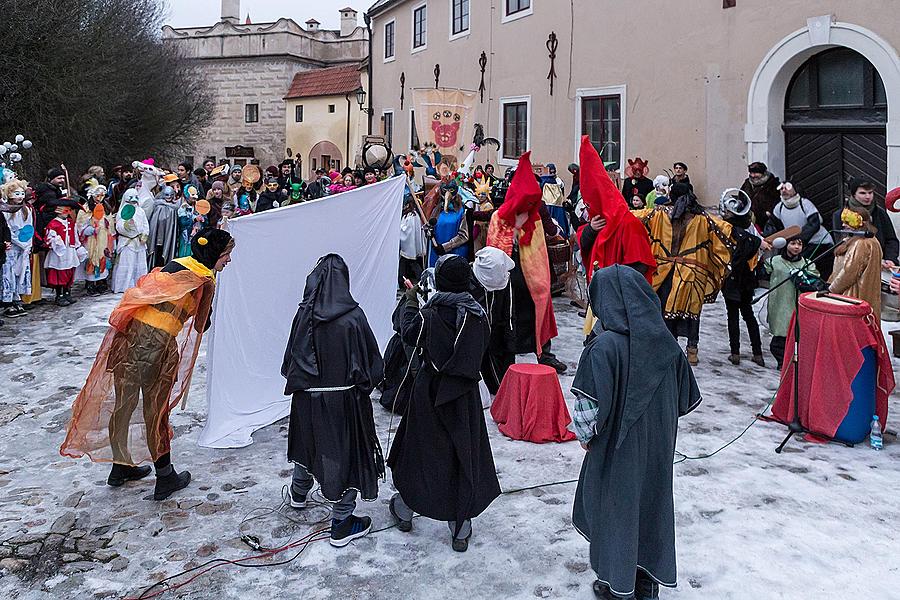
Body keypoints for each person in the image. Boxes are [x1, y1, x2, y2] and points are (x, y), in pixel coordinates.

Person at [60, 228, 234, 501]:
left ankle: (120, 467)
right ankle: (165, 477)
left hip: (128, 338)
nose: (228, 261)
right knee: (156, 411)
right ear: (214, 254)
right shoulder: (204, 281)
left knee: (124, 404)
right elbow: (201, 325)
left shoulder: (176, 264)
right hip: (158, 347)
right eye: (226, 255)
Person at [571, 265, 701, 600]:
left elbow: (588, 410)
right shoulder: (668, 346)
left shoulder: (603, 348)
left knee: (617, 509)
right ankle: (646, 582)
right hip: (658, 449)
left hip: (615, 448)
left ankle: (619, 585)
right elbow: (686, 399)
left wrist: (587, 438)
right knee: (650, 508)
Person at [388, 255, 501, 552]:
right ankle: (460, 525)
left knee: (421, 452)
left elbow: (406, 329)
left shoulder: (430, 314)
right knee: (460, 454)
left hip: (431, 391)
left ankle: (405, 507)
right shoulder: (478, 315)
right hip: (463, 396)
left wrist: (411, 298)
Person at [282, 254, 384, 547]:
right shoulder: (353, 318)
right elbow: (372, 366)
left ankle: (299, 493)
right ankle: (342, 522)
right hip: (343, 402)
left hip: (306, 400)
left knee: (306, 441)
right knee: (349, 455)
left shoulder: (304, 313)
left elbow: (289, 362)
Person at [636, 183, 734, 365]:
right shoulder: (703, 217)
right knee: (691, 313)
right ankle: (692, 352)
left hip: (664, 272)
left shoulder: (658, 213)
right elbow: (727, 231)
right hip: (692, 273)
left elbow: (634, 217)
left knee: (666, 311)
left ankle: (668, 348)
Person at [486, 153, 564, 372]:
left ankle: (544, 353)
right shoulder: (499, 218)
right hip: (508, 278)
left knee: (540, 309)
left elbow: (544, 244)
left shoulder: (537, 218)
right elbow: (495, 251)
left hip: (534, 280)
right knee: (507, 316)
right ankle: (505, 356)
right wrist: (513, 229)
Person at [764, 237, 820, 370]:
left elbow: (814, 283)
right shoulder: (774, 262)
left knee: (797, 334)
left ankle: (794, 362)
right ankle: (782, 362)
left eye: (799, 244)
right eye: (793, 243)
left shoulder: (807, 264)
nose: (796, 247)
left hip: (797, 305)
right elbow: (763, 272)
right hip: (779, 303)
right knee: (780, 335)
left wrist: (802, 278)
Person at [721, 205, 765, 366]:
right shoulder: (751, 233)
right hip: (747, 279)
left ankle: (735, 353)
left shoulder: (729, 231)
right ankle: (758, 353)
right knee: (749, 316)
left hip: (732, 279)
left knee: (733, 317)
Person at [763, 182, 834, 279]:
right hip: (796, 245)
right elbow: (774, 224)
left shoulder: (805, 204)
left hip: (818, 243)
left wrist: (800, 240)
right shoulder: (779, 207)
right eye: (781, 188)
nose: (784, 190)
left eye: (787, 187)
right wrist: (769, 236)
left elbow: (814, 224)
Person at [829, 207, 884, 321]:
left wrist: (831, 289)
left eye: (848, 221)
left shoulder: (861, 243)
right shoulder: (862, 240)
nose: (844, 225)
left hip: (854, 297)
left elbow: (849, 272)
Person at [831, 178, 898, 268]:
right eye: (863, 193)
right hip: (852, 265)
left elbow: (891, 239)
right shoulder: (840, 215)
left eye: (870, 193)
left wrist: (890, 259)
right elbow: (841, 243)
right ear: (853, 194)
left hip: (882, 267)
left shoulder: (880, 213)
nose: (868, 196)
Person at [77, 182, 116, 295]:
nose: (100, 198)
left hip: (103, 238)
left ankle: (101, 281)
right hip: (91, 240)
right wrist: (90, 230)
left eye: (102, 195)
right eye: (97, 195)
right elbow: (80, 226)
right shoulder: (85, 209)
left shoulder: (106, 207)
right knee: (92, 257)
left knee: (103, 257)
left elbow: (110, 224)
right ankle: (90, 284)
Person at [1, 179, 33, 318]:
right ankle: (8, 302)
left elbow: (29, 228)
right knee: (10, 274)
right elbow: (8, 230)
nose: (20, 197)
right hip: (11, 247)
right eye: (16, 193)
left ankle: (17, 299)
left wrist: (28, 244)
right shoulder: (6, 211)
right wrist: (18, 242)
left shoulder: (26, 210)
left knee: (21, 273)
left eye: (21, 193)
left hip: (23, 248)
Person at [44, 199, 84, 306]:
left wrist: (78, 246)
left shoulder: (71, 222)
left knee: (69, 272)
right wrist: (56, 241)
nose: (68, 213)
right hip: (58, 253)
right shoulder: (53, 223)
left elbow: (75, 236)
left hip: (70, 251)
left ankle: (67, 292)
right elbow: (49, 238)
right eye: (65, 211)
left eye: (69, 211)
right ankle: (59, 295)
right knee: (59, 273)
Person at [112, 189, 149, 293]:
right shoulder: (123, 211)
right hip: (127, 243)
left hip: (139, 242)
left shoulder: (140, 211)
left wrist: (144, 234)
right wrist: (127, 227)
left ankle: (139, 284)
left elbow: (145, 224)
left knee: (139, 263)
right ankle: (125, 285)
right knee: (127, 263)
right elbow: (119, 226)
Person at [428, 181, 470, 266]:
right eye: (445, 190)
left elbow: (464, 236)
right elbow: (431, 225)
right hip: (436, 251)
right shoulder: (437, 209)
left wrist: (445, 247)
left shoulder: (462, 211)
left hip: (454, 254)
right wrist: (429, 231)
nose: (447, 193)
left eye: (450, 190)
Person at [740, 161, 780, 232]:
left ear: (763, 173)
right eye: (751, 173)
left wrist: (768, 214)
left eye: (755, 173)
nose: (753, 175)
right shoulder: (747, 184)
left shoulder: (773, 184)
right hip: (749, 221)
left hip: (767, 222)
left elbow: (777, 202)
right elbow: (741, 197)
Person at [147, 186, 180, 269]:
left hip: (167, 236)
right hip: (157, 236)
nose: (169, 197)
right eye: (167, 195)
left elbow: (173, 224)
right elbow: (154, 222)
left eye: (171, 195)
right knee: (157, 254)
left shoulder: (174, 208)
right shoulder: (158, 207)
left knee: (164, 255)